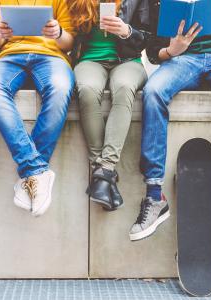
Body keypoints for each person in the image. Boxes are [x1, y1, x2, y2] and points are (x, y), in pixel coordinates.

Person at [129, 0, 211, 241]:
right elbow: (154, 52)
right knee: (153, 92)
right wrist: (172, 50)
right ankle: (154, 197)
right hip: (182, 61)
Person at [0, 0, 75, 217]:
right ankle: (36, 170)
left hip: (51, 57)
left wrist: (58, 32)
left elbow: (69, 42)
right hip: (9, 56)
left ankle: (29, 176)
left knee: (60, 88)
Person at [68, 0, 149, 211]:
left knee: (123, 88)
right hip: (89, 59)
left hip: (128, 61)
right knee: (86, 90)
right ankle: (104, 174)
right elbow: (68, 35)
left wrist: (126, 31)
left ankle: (104, 168)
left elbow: (148, 38)